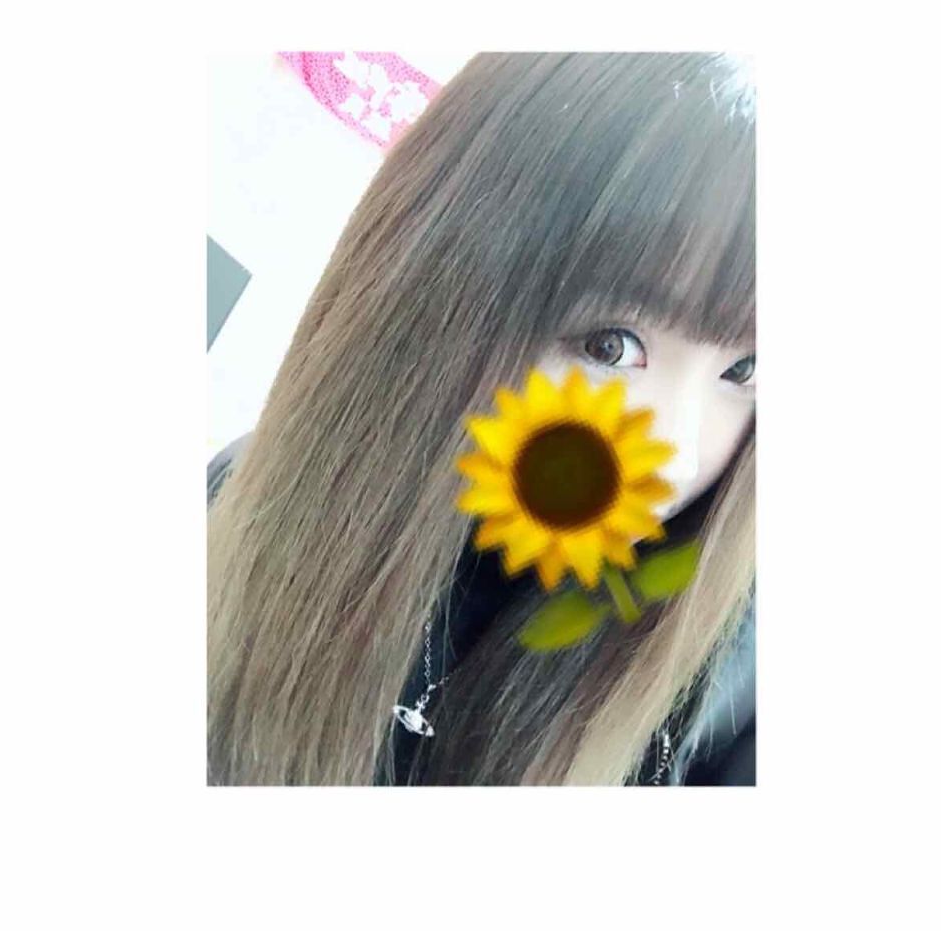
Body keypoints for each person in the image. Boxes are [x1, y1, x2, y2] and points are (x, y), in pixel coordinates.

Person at [207, 52, 756, 786]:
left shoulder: (734, 672)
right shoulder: (244, 508)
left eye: (743, 371)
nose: (678, 452)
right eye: (610, 346)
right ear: (438, 301)